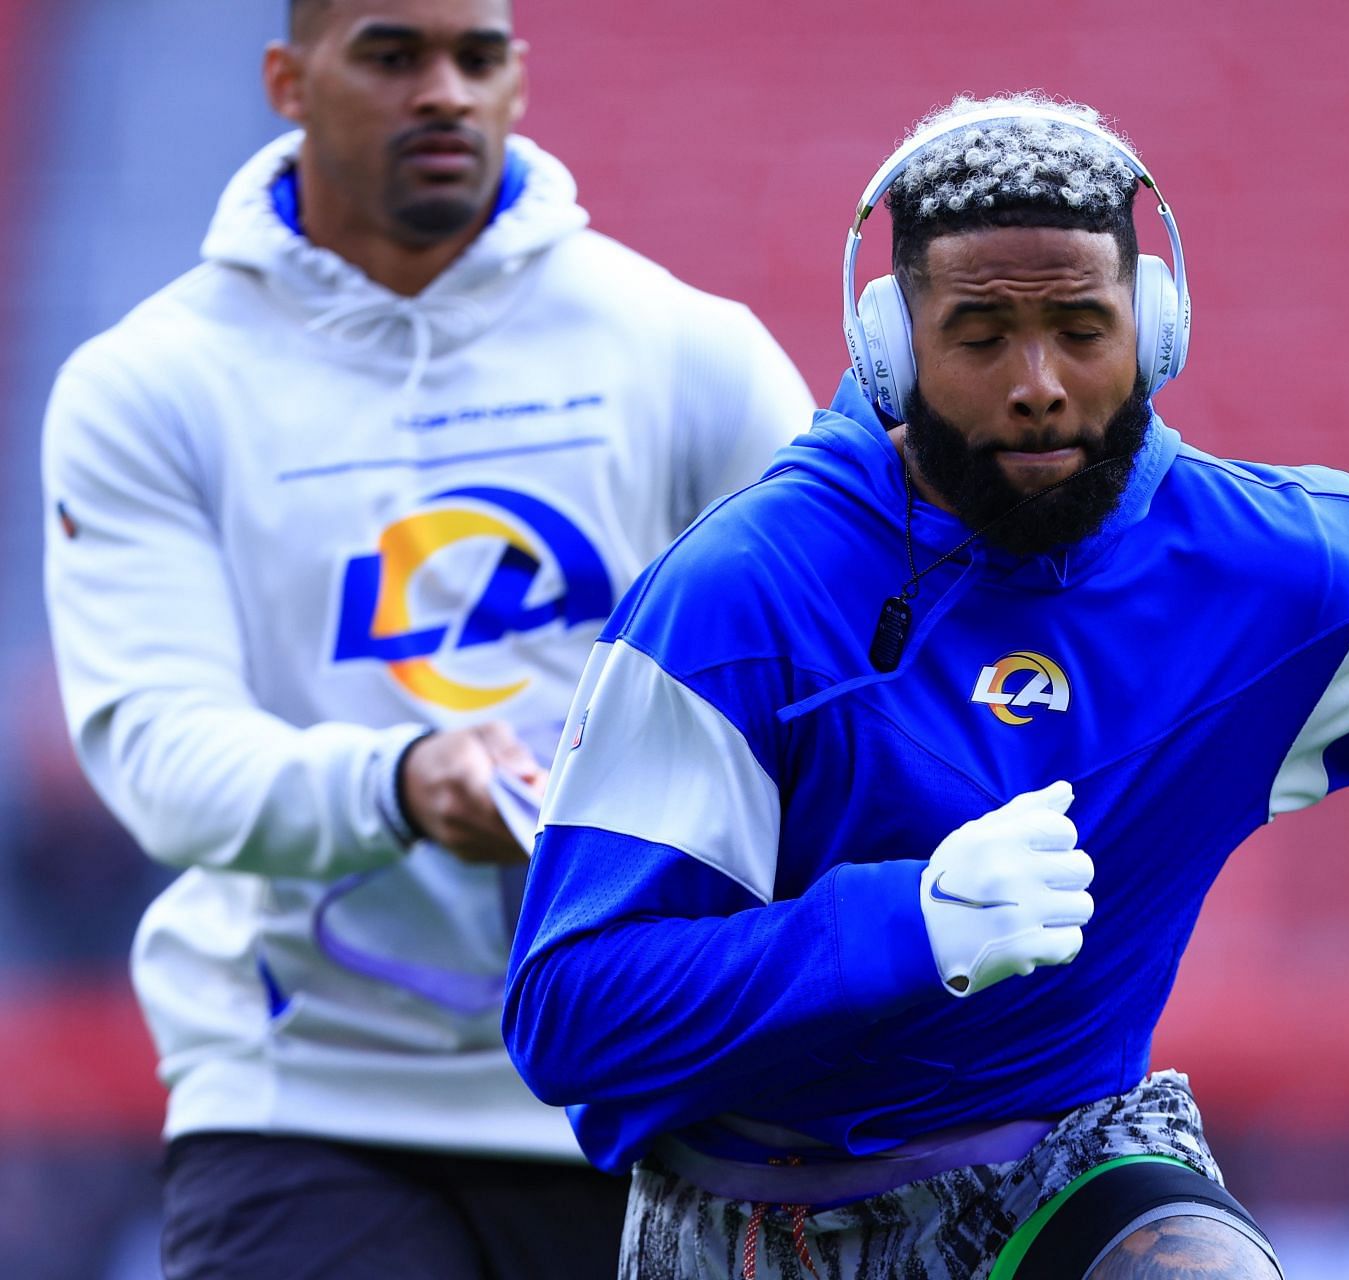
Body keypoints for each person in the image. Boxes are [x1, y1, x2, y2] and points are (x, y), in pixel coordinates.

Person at [502, 93, 1349, 1280]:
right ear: (889, 346)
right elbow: (572, 1016)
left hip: (1071, 1167)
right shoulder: (732, 601)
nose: (1039, 386)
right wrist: (902, 929)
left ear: (1153, 331)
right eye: (979, 335)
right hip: (748, 1214)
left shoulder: (1299, 575)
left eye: (1082, 327)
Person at [41, 1, 814, 1275]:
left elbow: (833, 676)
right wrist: (398, 782)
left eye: (478, 56)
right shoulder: (151, 385)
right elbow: (162, 753)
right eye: (394, 55)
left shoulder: (685, 349)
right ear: (287, 79)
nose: (445, 91)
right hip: (303, 1097)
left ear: (519, 76)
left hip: (641, 1079)